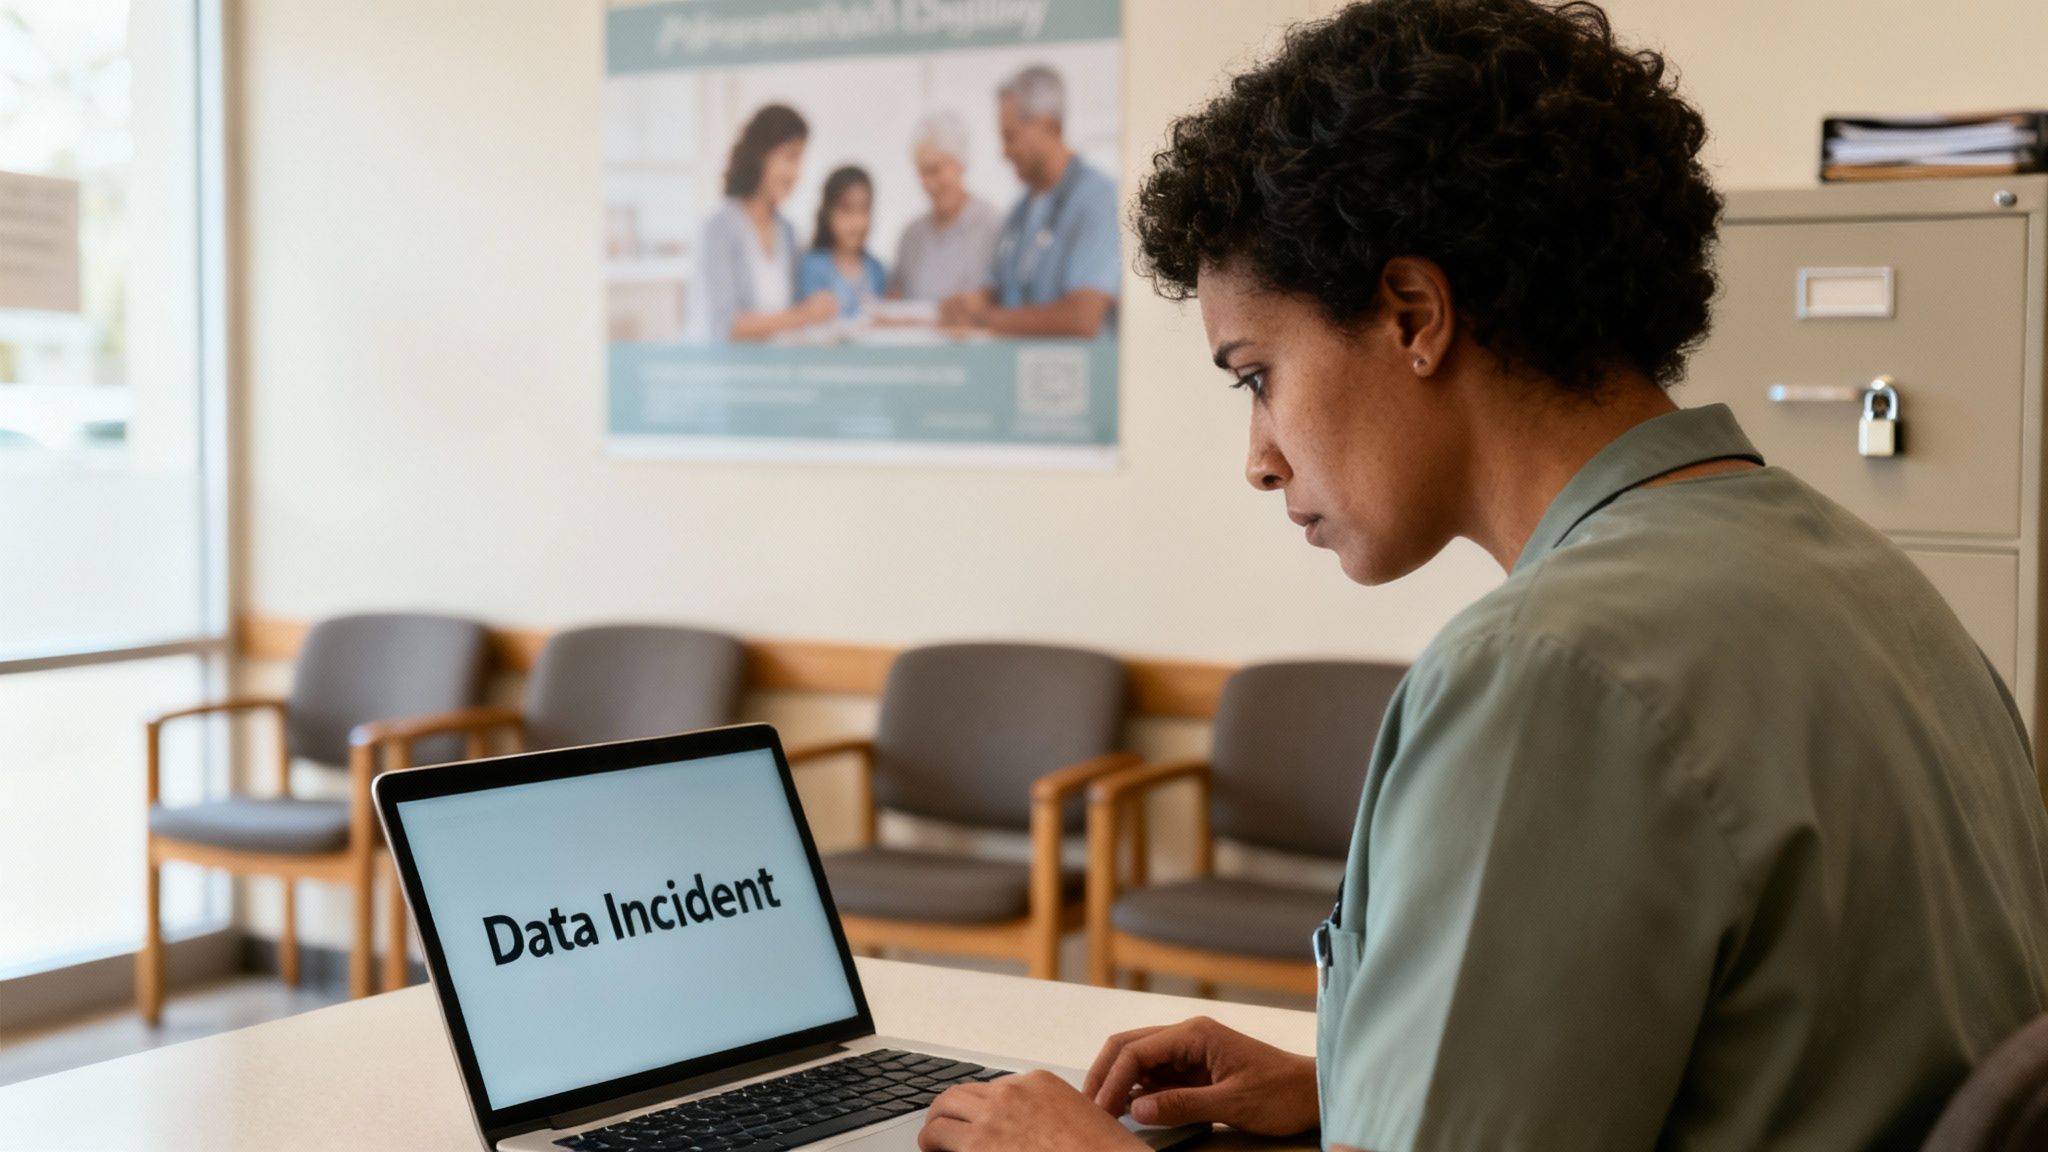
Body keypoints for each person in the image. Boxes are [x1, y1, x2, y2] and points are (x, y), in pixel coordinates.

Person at [915, 2, 2048, 1151]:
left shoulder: (1545, 670)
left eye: (1254, 375)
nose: (1259, 459)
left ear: (1413, 315)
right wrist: (1359, 1084)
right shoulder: (1869, 585)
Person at [937, 65, 1119, 339]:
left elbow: (1082, 318)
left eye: (1010, 136)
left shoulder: (1099, 199)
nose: (1004, 152)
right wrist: (967, 305)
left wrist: (986, 319)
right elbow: (998, 288)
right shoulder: (1019, 211)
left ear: (1047, 125)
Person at [694, 104, 837, 343]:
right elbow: (725, 325)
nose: (797, 173)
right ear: (760, 154)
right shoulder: (718, 229)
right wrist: (805, 315)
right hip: (726, 373)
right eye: (790, 158)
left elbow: (790, 313)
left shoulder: (788, 233)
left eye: (800, 161)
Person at [888, 110, 1001, 303]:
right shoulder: (911, 236)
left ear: (961, 164)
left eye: (936, 170)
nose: (930, 183)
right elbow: (893, 300)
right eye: (922, 172)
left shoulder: (993, 226)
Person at [797, 166, 887, 321]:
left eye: (864, 209)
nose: (857, 221)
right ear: (828, 213)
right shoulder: (813, 266)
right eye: (846, 210)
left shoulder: (876, 270)